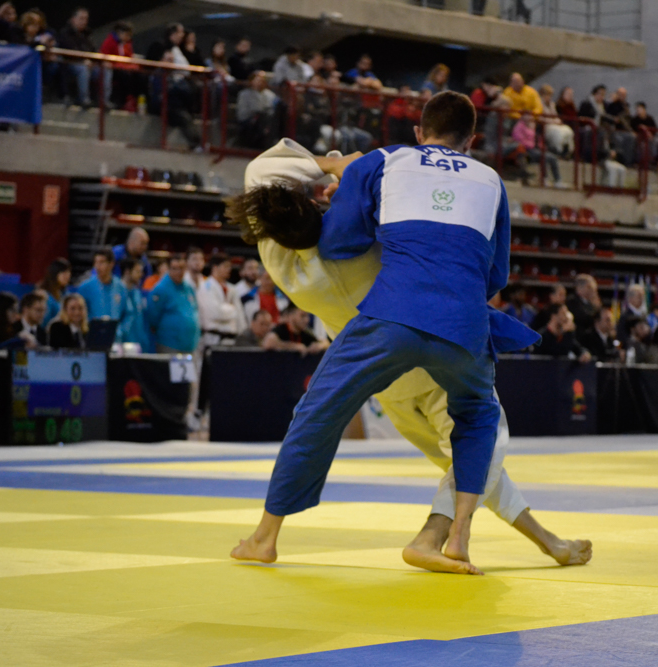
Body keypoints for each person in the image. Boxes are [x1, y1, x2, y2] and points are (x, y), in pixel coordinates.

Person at [226, 136, 590, 573]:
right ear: (315, 204)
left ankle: (265, 536)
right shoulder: (362, 244)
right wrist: (344, 168)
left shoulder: (278, 261)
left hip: (381, 373)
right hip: (432, 349)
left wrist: (332, 175)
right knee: (480, 445)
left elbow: (263, 175)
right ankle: (434, 537)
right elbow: (407, 206)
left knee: (321, 421)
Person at [145, 253, 199, 354]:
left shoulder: (189, 288)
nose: (178, 272)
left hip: (189, 344)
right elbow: (152, 317)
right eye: (175, 269)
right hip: (169, 344)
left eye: (181, 268)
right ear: (168, 269)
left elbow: (195, 310)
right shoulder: (161, 289)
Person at [197, 253, 247, 346]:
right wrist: (233, 309)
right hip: (213, 339)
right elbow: (214, 313)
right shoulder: (206, 286)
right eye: (226, 266)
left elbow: (240, 316)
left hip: (232, 339)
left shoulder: (232, 289)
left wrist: (243, 335)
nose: (229, 269)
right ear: (215, 267)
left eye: (229, 267)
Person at [56, 7, 95, 108]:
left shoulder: (87, 34)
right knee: (83, 69)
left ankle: (103, 101)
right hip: (70, 63)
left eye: (86, 19)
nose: (84, 21)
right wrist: (82, 60)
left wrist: (95, 61)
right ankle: (84, 99)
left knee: (104, 70)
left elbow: (93, 51)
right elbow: (68, 51)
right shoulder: (65, 33)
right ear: (73, 19)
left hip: (86, 63)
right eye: (81, 18)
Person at [100, 21, 143, 111]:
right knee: (124, 75)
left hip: (125, 67)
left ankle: (133, 100)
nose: (128, 37)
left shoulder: (127, 44)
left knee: (139, 75)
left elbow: (129, 57)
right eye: (126, 35)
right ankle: (122, 102)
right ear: (119, 33)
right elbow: (104, 57)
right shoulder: (109, 42)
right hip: (113, 69)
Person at [77, 248, 126, 321]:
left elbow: (126, 313)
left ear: (111, 264)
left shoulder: (121, 287)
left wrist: (121, 327)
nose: (98, 266)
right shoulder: (85, 288)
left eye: (101, 262)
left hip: (115, 327)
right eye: (96, 262)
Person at [262, 304, 329, 355]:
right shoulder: (282, 329)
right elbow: (268, 343)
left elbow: (326, 343)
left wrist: (319, 346)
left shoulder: (305, 333)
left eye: (307, 316)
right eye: (302, 316)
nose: (307, 320)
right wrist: (294, 347)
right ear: (291, 316)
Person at [237, 71, 279, 149]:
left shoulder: (270, 95)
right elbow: (242, 114)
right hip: (249, 120)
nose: (260, 83)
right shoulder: (244, 94)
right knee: (261, 117)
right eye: (257, 80)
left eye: (262, 81)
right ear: (251, 81)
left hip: (267, 120)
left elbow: (273, 109)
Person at [117, 258, 152, 351]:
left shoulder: (137, 293)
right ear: (127, 272)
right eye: (137, 271)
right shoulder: (117, 293)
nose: (141, 275)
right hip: (122, 346)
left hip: (138, 345)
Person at [538, 84, 575, 157]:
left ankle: (568, 150)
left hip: (555, 124)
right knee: (558, 132)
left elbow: (555, 115)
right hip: (546, 126)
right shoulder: (539, 104)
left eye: (550, 95)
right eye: (547, 95)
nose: (549, 97)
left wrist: (558, 121)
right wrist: (553, 122)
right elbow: (541, 118)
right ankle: (558, 150)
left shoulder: (552, 104)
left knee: (568, 130)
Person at [38, 258, 71, 327]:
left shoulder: (66, 294)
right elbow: (42, 321)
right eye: (64, 272)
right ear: (55, 273)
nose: (67, 275)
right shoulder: (43, 294)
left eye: (68, 272)